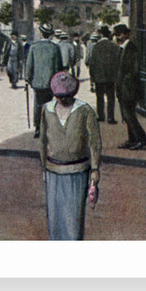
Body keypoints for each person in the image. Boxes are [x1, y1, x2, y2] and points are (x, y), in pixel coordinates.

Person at [39, 71, 101, 241]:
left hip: (77, 171)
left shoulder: (85, 110)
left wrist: (95, 168)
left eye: (66, 96)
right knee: (55, 219)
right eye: (59, 96)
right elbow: (43, 140)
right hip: (53, 171)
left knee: (73, 219)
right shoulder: (47, 110)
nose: (63, 100)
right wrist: (43, 166)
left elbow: (94, 142)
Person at [113, 24, 146, 150]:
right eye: (117, 35)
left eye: (120, 34)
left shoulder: (131, 48)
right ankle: (132, 139)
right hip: (123, 88)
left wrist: (124, 83)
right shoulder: (122, 48)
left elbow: (134, 70)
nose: (118, 37)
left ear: (126, 34)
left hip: (129, 88)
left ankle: (141, 139)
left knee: (130, 116)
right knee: (126, 116)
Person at [25, 23, 65, 138]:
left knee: (38, 105)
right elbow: (58, 67)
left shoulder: (34, 47)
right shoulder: (55, 48)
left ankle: (38, 127)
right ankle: (48, 127)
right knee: (50, 105)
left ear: (41, 33)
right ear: (50, 34)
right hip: (51, 82)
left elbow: (29, 65)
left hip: (37, 82)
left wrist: (27, 79)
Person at [89, 28, 121, 124]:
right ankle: (110, 117)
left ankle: (101, 116)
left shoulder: (96, 46)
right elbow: (118, 62)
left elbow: (92, 63)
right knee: (111, 97)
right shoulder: (114, 46)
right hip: (111, 76)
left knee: (99, 97)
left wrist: (92, 77)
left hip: (99, 76)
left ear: (101, 35)